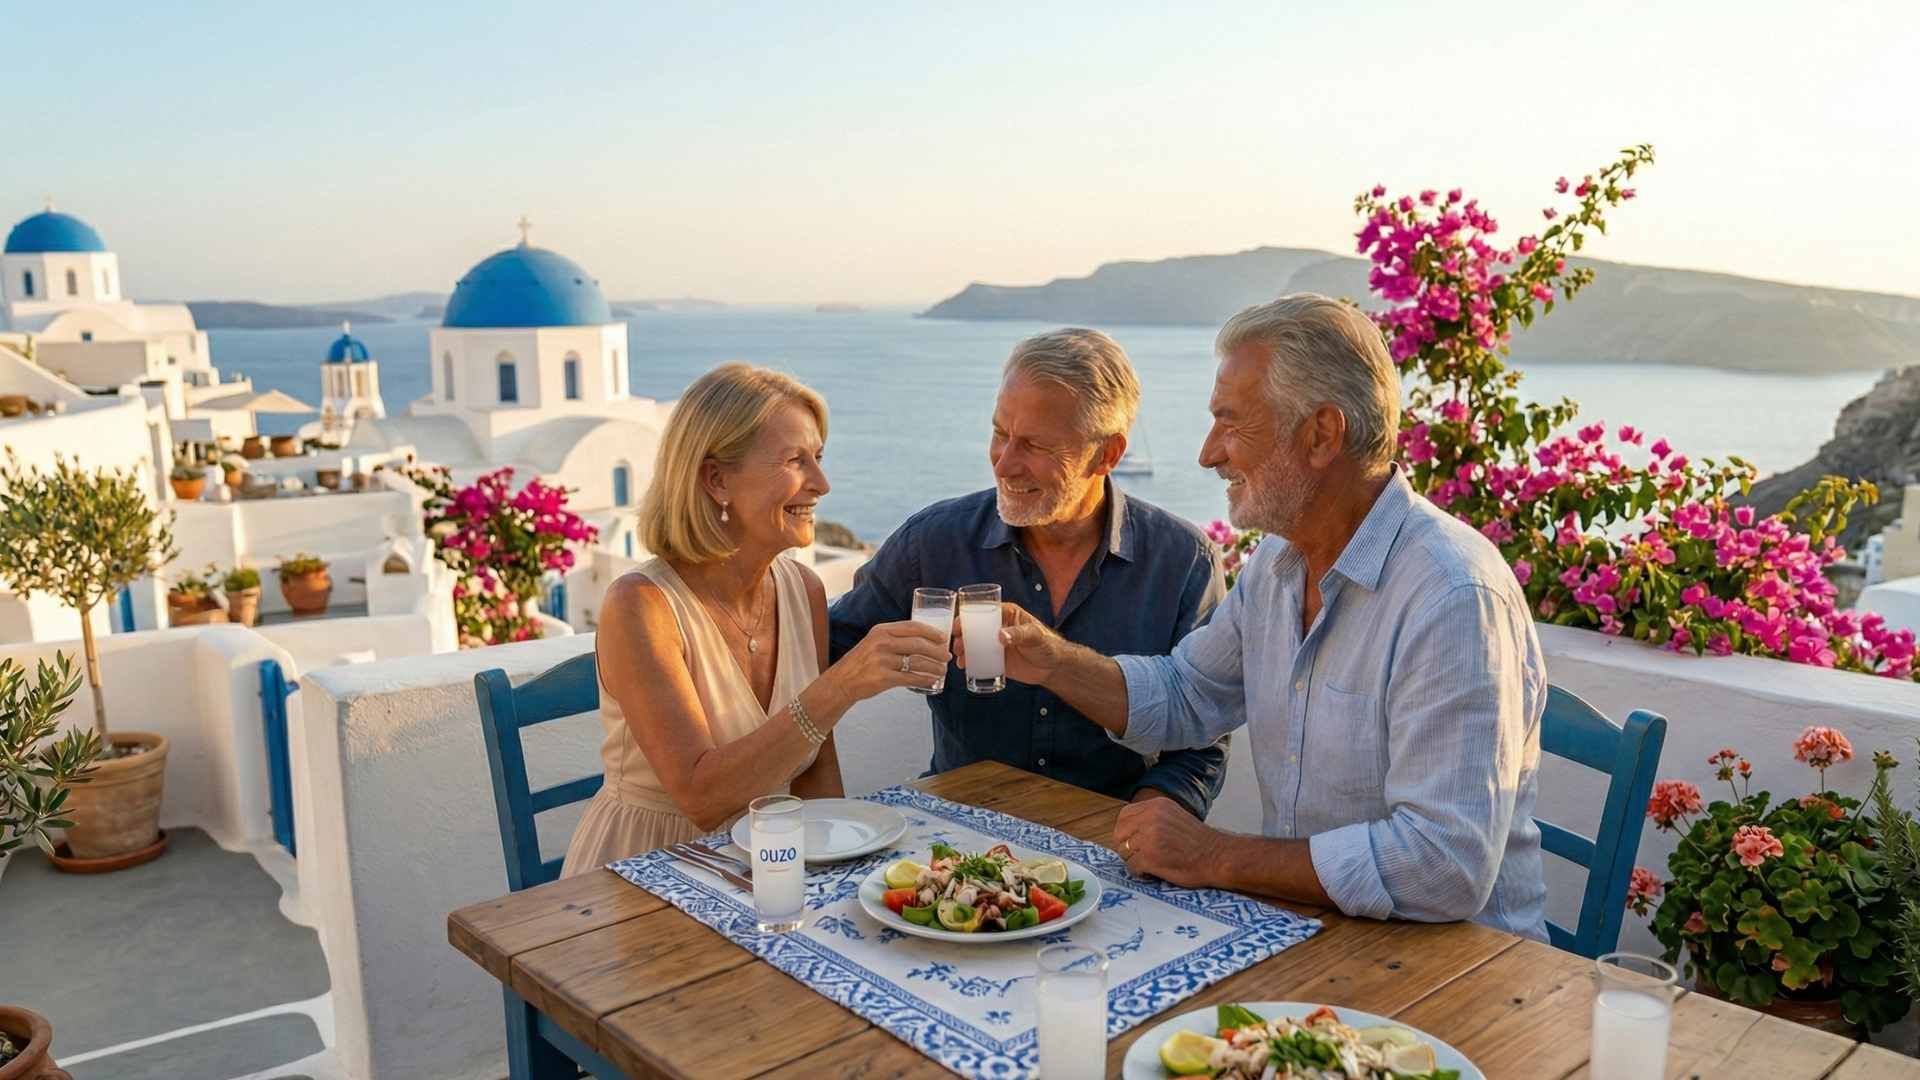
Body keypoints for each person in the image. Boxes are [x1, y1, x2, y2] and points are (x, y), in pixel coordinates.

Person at [986, 295, 1549, 938]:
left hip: (1462, 970)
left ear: (1321, 435)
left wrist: (1215, 855)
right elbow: (1188, 694)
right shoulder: (1280, 562)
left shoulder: (1452, 596)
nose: (1207, 454)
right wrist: (1052, 661)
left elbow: (1442, 865)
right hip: (1321, 933)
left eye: (1230, 423)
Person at [560, 363, 948, 876]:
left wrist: (840, 879)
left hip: (769, 868)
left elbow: (814, 774)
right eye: (795, 461)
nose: (822, 483)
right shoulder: (641, 607)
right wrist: (842, 685)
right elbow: (703, 799)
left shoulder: (802, 590)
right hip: (651, 872)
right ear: (717, 479)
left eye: (819, 458)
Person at [830, 328, 1229, 819]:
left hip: (1109, 853)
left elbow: (1201, 740)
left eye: (1034, 446)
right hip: (954, 842)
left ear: (1107, 454)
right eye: (1000, 433)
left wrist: (1148, 822)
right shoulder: (933, 542)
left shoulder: (1183, 562)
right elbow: (824, 650)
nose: (1004, 463)